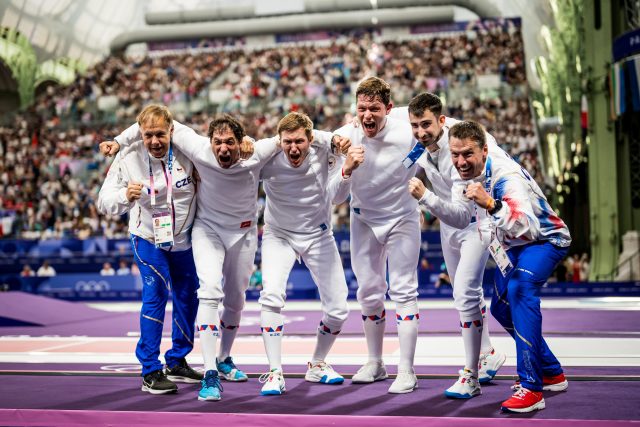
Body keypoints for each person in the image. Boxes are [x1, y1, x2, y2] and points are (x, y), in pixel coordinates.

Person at [104, 114, 279, 402]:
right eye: (218, 142)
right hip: (165, 234)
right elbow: (148, 127)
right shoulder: (142, 152)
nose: (223, 149)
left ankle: (193, 360)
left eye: (230, 143)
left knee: (209, 297)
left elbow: (287, 136)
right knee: (178, 292)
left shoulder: (211, 150)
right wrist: (120, 154)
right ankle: (164, 370)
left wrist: (334, 143)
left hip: (205, 237)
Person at [441, 121, 571, 413]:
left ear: (484, 150)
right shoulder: (467, 172)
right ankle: (551, 371)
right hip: (513, 246)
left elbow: (525, 225)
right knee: (500, 307)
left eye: (468, 154)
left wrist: (490, 203)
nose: (461, 162)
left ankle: (532, 388)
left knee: (520, 290)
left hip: (545, 239)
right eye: (455, 154)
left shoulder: (505, 177)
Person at [404, 92, 506, 399]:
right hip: (449, 224)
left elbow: (462, 216)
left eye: (426, 124)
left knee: (465, 293)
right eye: (415, 125)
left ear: (442, 121)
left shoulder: (458, 149)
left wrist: (425, 197)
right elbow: (393, 116)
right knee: (463, 294)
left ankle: (470, 374)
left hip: (474, 221)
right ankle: (487, 352)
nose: (421, 131)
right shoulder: (421, 144)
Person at [97, 104, 202, 396]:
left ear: (172, 130)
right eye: (148, 136)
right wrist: (123, 195)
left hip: (183, 239)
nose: (154, 141)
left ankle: (177, 360)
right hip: (147, 237)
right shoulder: (127, 156)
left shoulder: (186, 147)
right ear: (139, 135)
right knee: (156, 294)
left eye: (160, 134)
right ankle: (150, 370)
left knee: (187, 296)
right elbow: (103, 201)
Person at [256, 112, 360, 395]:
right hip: (279, 235)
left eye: (299, 141)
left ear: (310, 139)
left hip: (319, 234)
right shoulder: (268, 156)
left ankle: (317, 364)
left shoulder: (326, 149)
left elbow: (337, 197)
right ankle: (275, 372)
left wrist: (346, 170)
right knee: (271, 296)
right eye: (287, 141)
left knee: (339, 310)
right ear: (279, 141)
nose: (293, 148)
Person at [333, 77, 420, 394]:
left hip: (402, 219)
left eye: (375, 109)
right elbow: (334, 196)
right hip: (363, 221)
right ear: (354, 110)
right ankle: (375, 362)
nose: (368, 115)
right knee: (368, 291)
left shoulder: (409, 130)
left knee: (403, 291)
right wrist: (344, 164)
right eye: (362, 109)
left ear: (390, 109)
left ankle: (407, 370)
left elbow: (443, 124)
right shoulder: (346, 135)